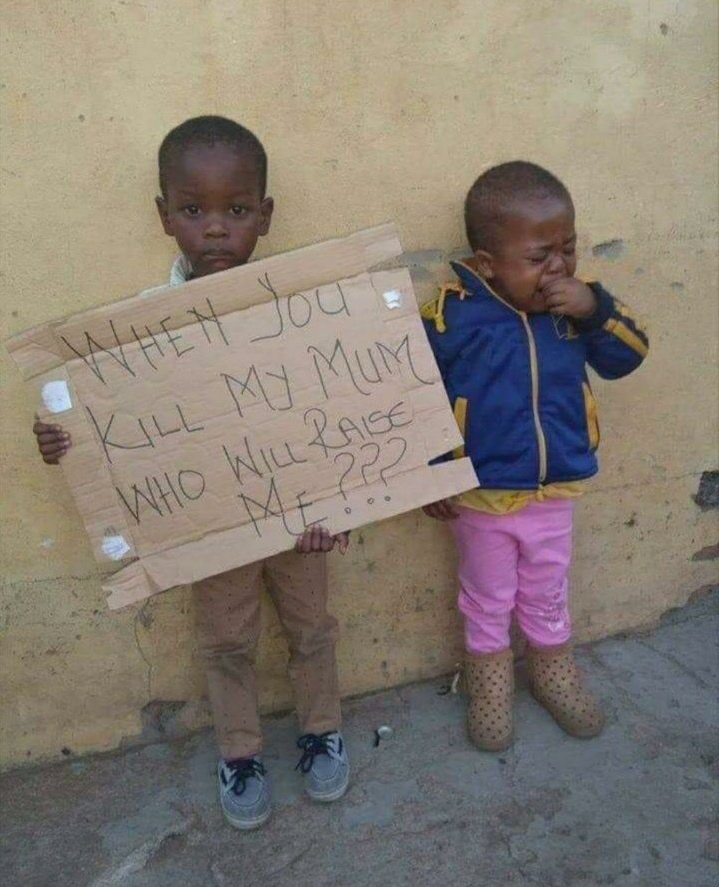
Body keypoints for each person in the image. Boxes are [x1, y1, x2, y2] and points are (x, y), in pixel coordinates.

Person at [32, 116, 350, 830]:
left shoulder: (296, 310)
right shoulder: (139, 331)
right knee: (226, 641)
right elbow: (115, 424)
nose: (214, 229)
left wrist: (341, 502)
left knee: (312, 628)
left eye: (235, 210)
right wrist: (65, 439)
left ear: (265, 216)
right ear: (164, 215)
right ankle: (239, 752)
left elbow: (332, 408)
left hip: (300, 514)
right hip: (212, 526)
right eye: (192, 209)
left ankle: (322, 728)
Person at [421, 161, 648, 751]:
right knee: (487, 595)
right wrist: (432, 473)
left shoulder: (577, 310)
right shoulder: (451, 317)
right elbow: (416, 398)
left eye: (568, 248)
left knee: (547, 588)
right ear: (487, 263)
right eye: (539, 256)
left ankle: (552, 672)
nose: (558, 267)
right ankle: (489, 685)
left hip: (555, 491)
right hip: (482, 496)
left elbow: (628, 357)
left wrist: (595, 310)